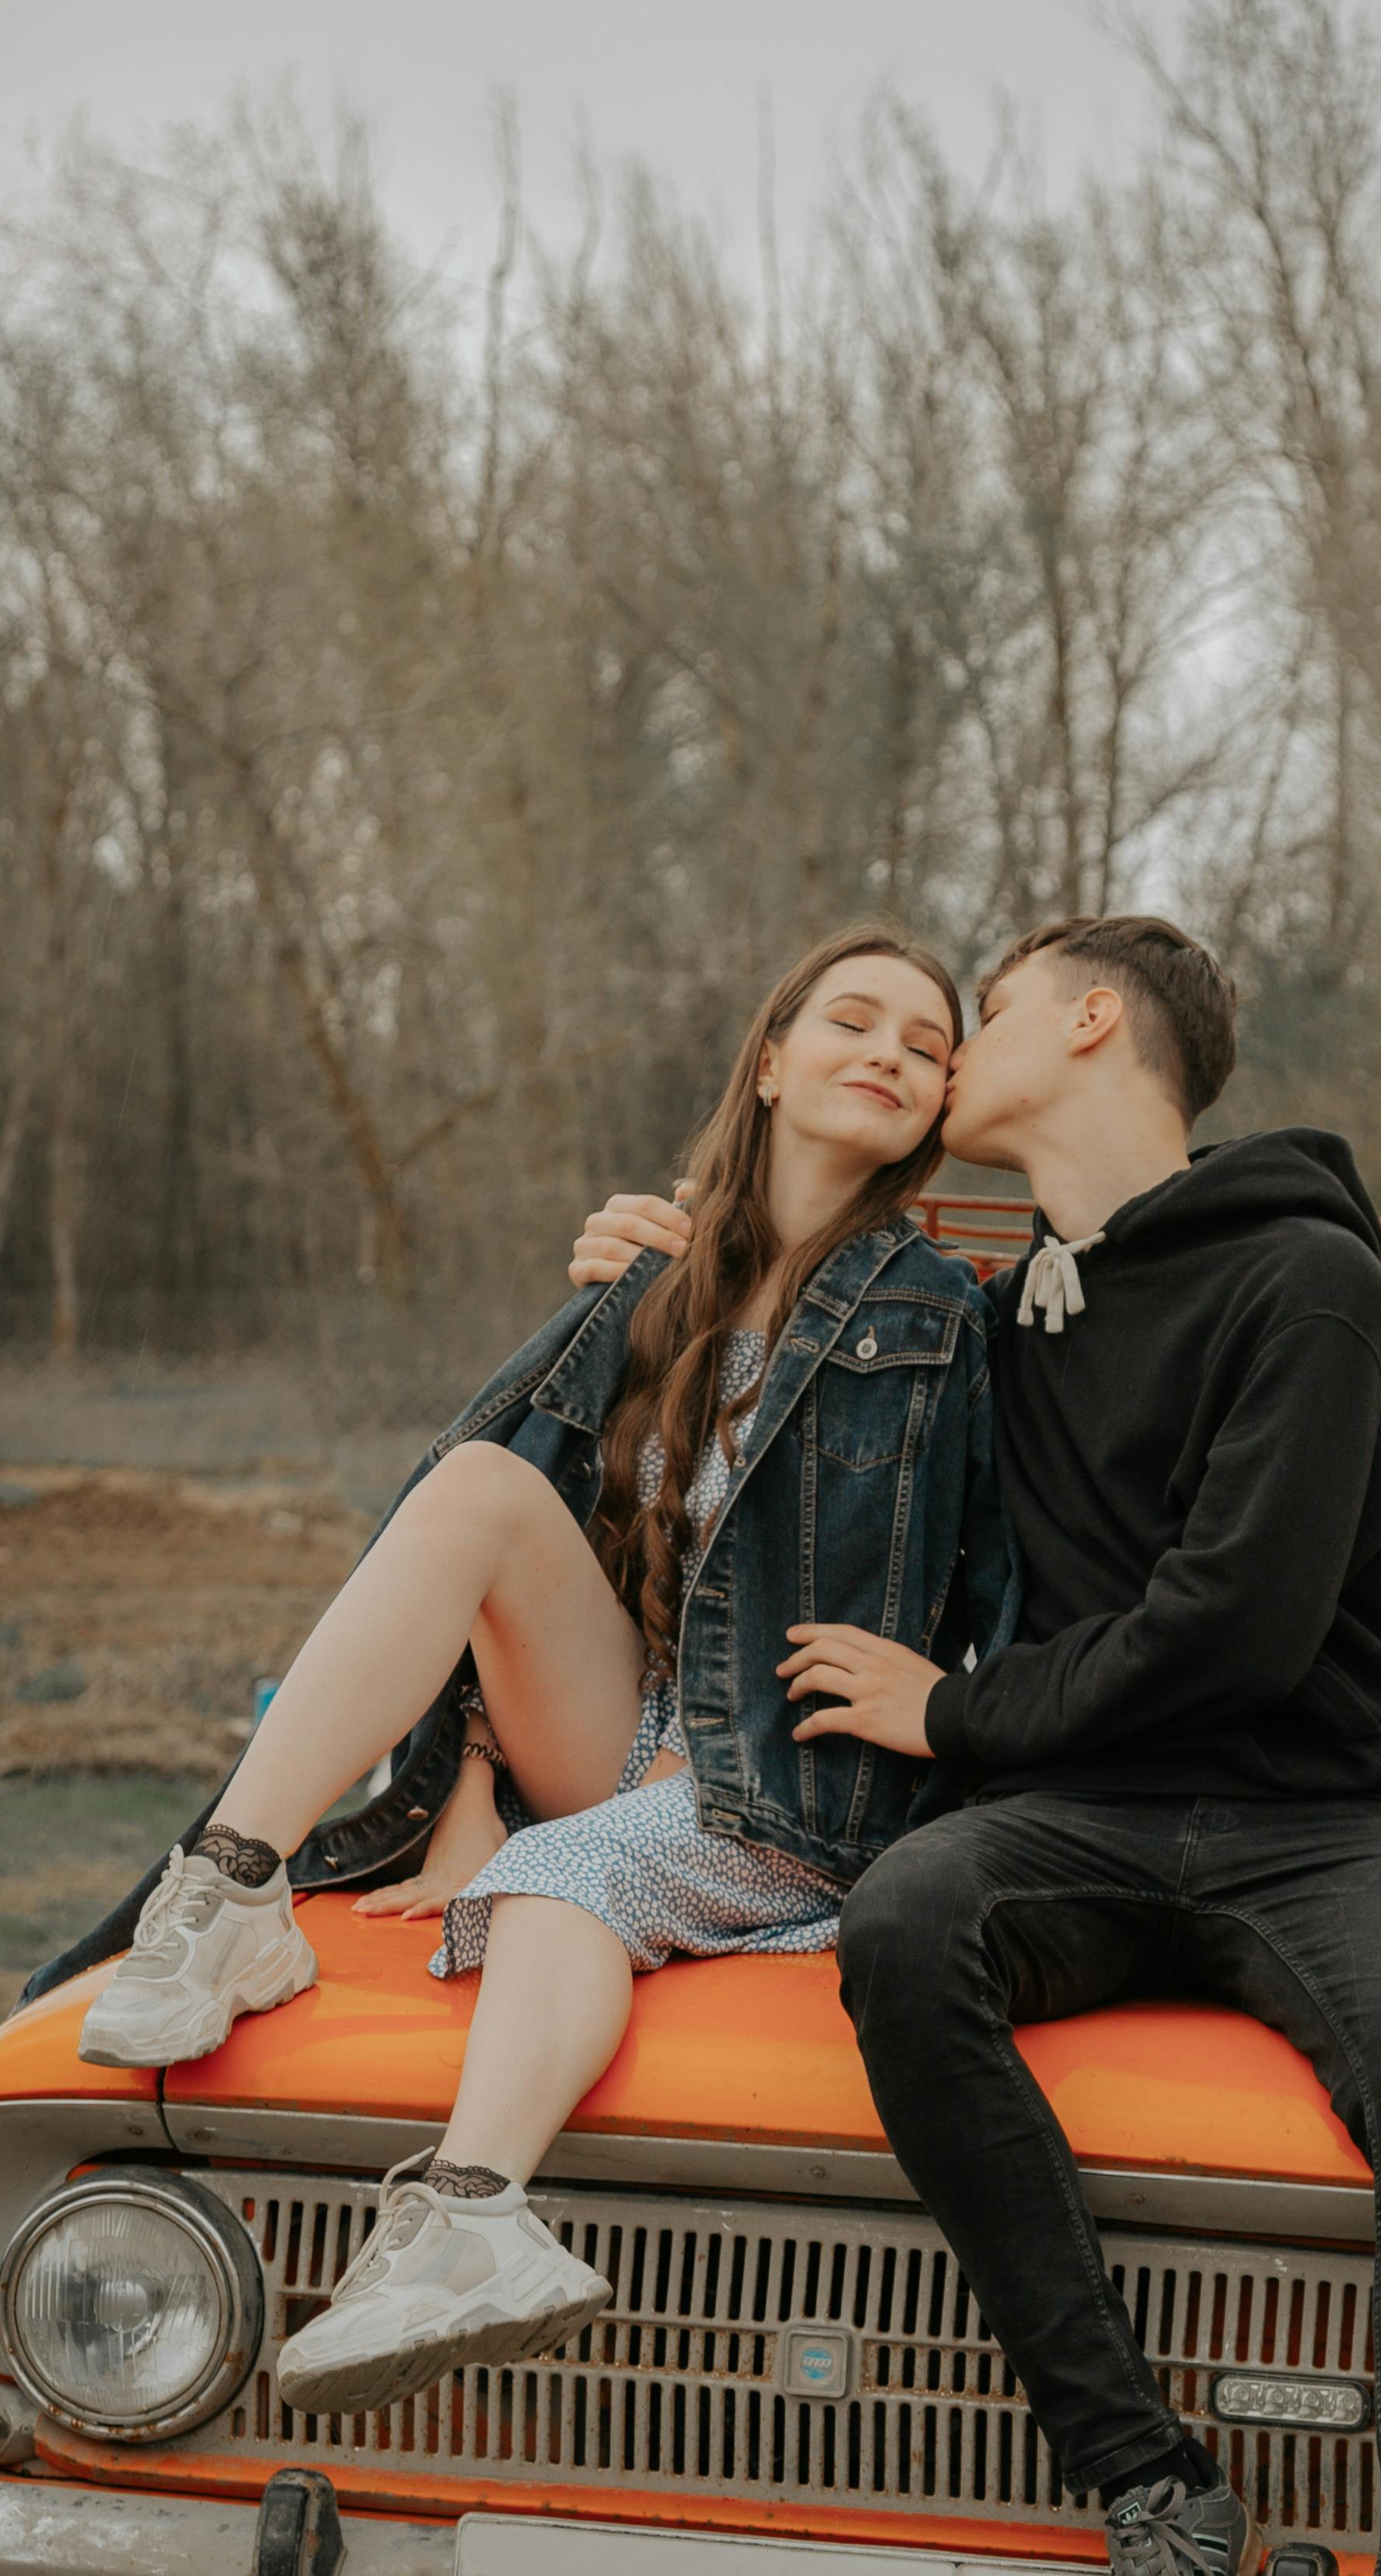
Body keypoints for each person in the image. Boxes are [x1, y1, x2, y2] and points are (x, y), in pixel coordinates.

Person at [575, 913, 1381, 2576]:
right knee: (904, 1926)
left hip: (1310, 1814)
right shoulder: (1015, 1296)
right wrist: (665, 1266)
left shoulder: (1304, 1284)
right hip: (1089, 1823)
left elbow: (1238, 1626)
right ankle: (1152, 2493)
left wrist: (956, 1716)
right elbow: (809, 1348)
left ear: (1094, 1019)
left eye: (995, 1009)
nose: (948, 1055)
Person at [57, 925, 1015, 2420]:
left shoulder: (945, 1310)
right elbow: (537, 1551)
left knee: (564, 1882)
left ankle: (471, 2212)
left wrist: (953, 1704)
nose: (890, 1051)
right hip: (623, 1735)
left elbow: (1007, 1572)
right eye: (853, 1019)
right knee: (478, 1496)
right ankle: (233, 1881)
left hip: (793, 1780)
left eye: (927, 1043)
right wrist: (474, 1795)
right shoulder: (656, 1281)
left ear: (944, 1104)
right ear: (768, 1060)